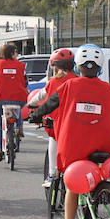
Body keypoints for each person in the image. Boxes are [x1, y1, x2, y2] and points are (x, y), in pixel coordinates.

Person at [28, 44, 110, 219]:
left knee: (72, 186)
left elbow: (49, 103)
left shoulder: (69, 86)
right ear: (100, 68)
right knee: (99, 173)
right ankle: (102, 196)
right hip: (105, 145)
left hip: (77, 146)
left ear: (78, 66)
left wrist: (34, 115)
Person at [34, 47, 76, 188]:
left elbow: (42, 98)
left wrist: (30, 106)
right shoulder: (78, 80)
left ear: (56, 68)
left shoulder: (53, 83)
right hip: (77, 124)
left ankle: (52, 174)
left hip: (58, 125)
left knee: (53, 139)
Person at [0, 43, 29, 162]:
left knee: (0, 123)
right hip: (18, 96)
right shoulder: (21, 65)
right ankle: (20, 127)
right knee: (16, 107)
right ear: (12, 53)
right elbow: (25, 81)